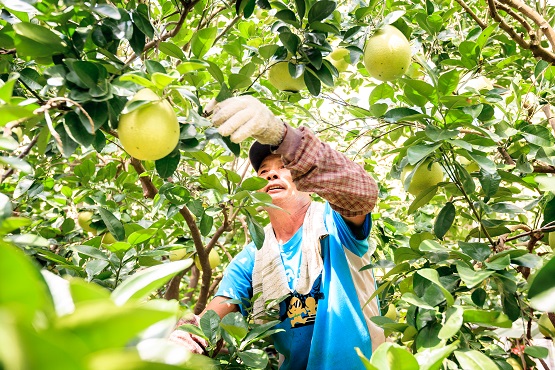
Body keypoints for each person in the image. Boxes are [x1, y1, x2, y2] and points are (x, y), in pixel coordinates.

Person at [170, 95, 384, 369]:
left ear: (306, 178)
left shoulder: (335, 223)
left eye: (284, 168)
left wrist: (287, 139)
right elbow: (218, 310)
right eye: (263, 171)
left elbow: (362, 194)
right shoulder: (253, 256)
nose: (272, 175)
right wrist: (186, 339)